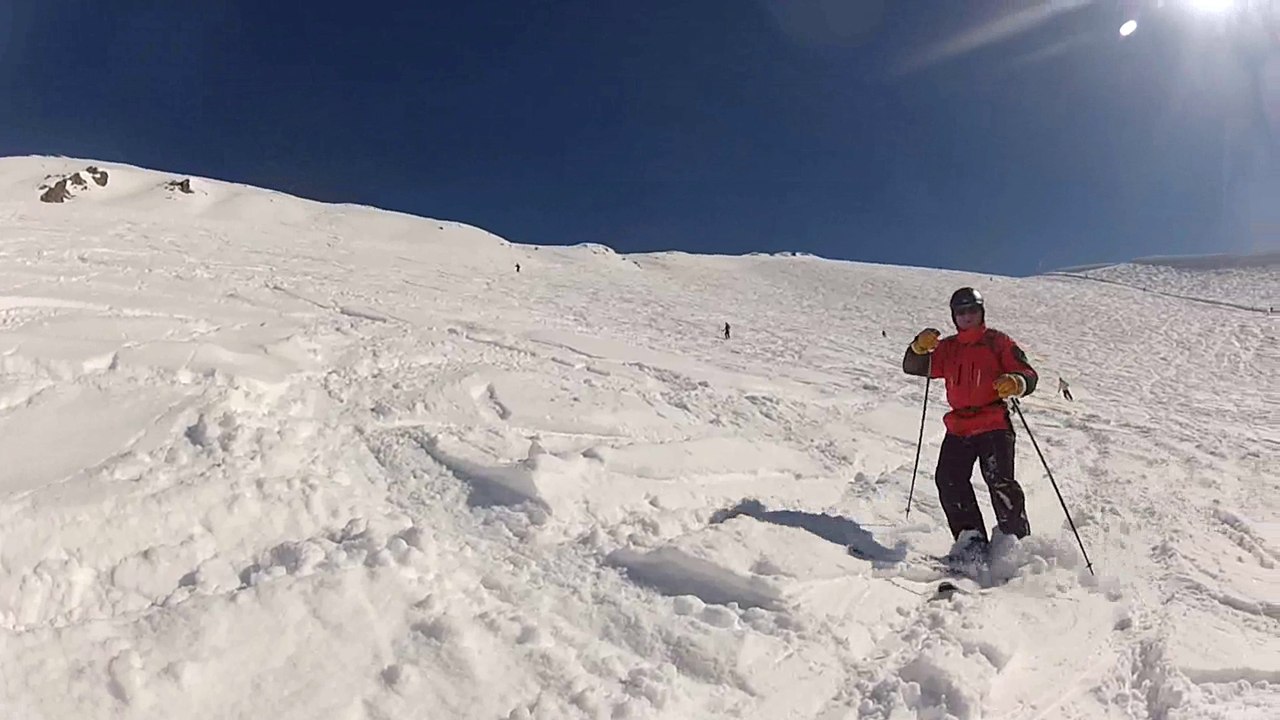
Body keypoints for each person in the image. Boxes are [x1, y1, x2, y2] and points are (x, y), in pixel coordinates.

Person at [902, 287, 1038, 560]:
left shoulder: (997, 342)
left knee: (999, 480)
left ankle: (1014, 544)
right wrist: (917, 348)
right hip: (959, 427)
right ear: (954, 316)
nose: (967, 316)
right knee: (949, 480)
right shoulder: (948, 348)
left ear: (981, 312)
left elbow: (1027, 373)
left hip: (993, 422)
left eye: (972, 310)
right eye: (961, 312)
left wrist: (1016, 382)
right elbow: (916, 367)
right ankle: (971, 541)